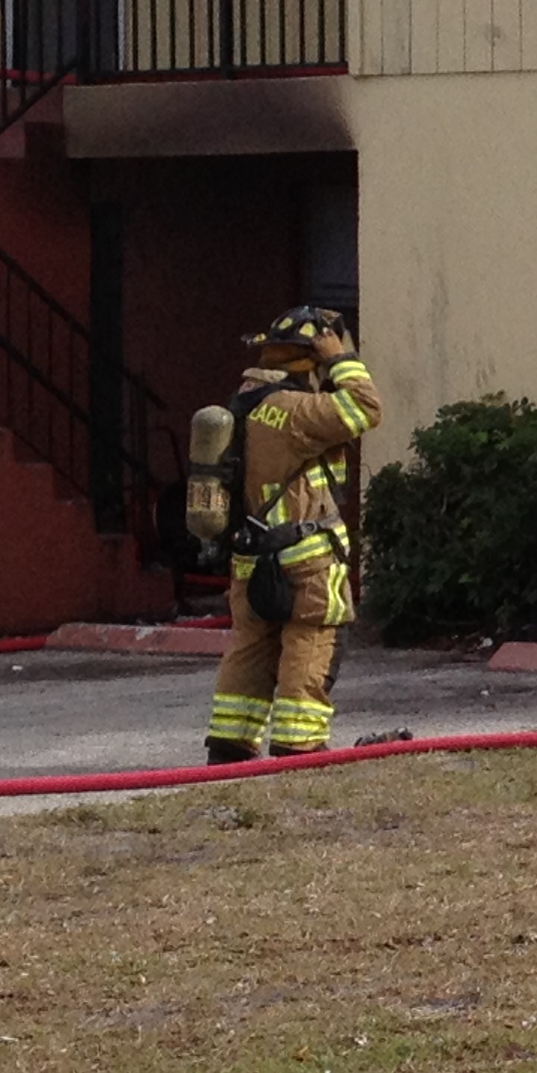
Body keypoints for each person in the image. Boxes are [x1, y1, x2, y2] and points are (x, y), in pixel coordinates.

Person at [204, 305, 384, 761]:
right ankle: (298, 743)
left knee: (251, 645)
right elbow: (365, 408)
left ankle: (230, 743)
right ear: (311, 359)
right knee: (312, 638)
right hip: (306, 558)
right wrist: (341, 358)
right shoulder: (296, 410)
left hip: (249, 555)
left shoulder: (242, 404)